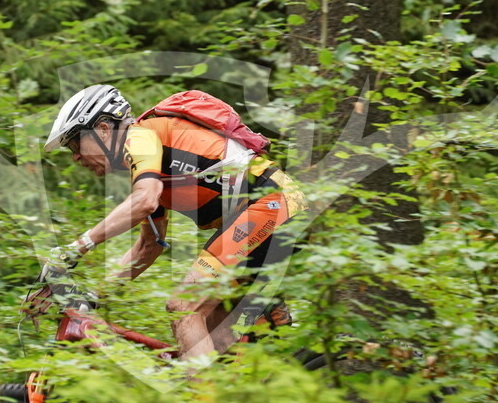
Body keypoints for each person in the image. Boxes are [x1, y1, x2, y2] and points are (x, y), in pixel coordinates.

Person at [42, 84, 305, 360]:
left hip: (271, 203)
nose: (75, 156)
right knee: (216, 339)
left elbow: (144, 200)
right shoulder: (152, 163)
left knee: (184, 308)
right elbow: (148, 247)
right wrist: (97, 296)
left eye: (76, 144)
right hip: (269, 212)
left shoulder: (139, 136)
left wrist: (77, 247)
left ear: (104, 129)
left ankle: (203, 390)